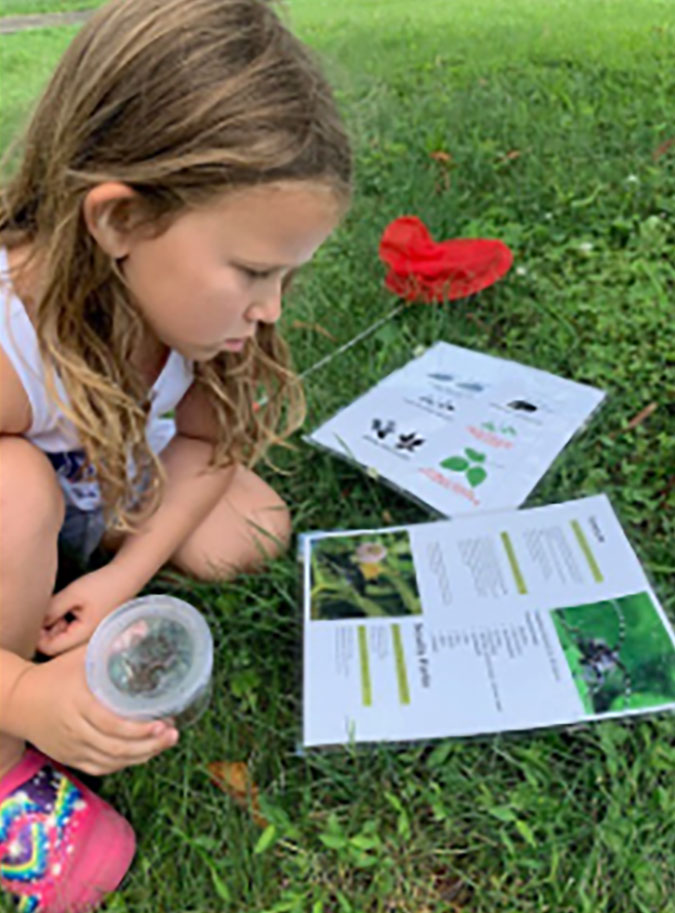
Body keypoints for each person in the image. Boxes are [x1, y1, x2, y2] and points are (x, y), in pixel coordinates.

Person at [0, 0, 351, 908]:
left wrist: (125, 577)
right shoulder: (8, 352)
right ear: (119, 221)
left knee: (250, 527)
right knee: (14, 497)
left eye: (286, 274)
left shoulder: (179, 316)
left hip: (103, 491)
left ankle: (69, 574)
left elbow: (206, 437)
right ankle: (2, 774)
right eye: (253, 272)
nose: (271, 308)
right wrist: (20, 698)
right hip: (28, 503)